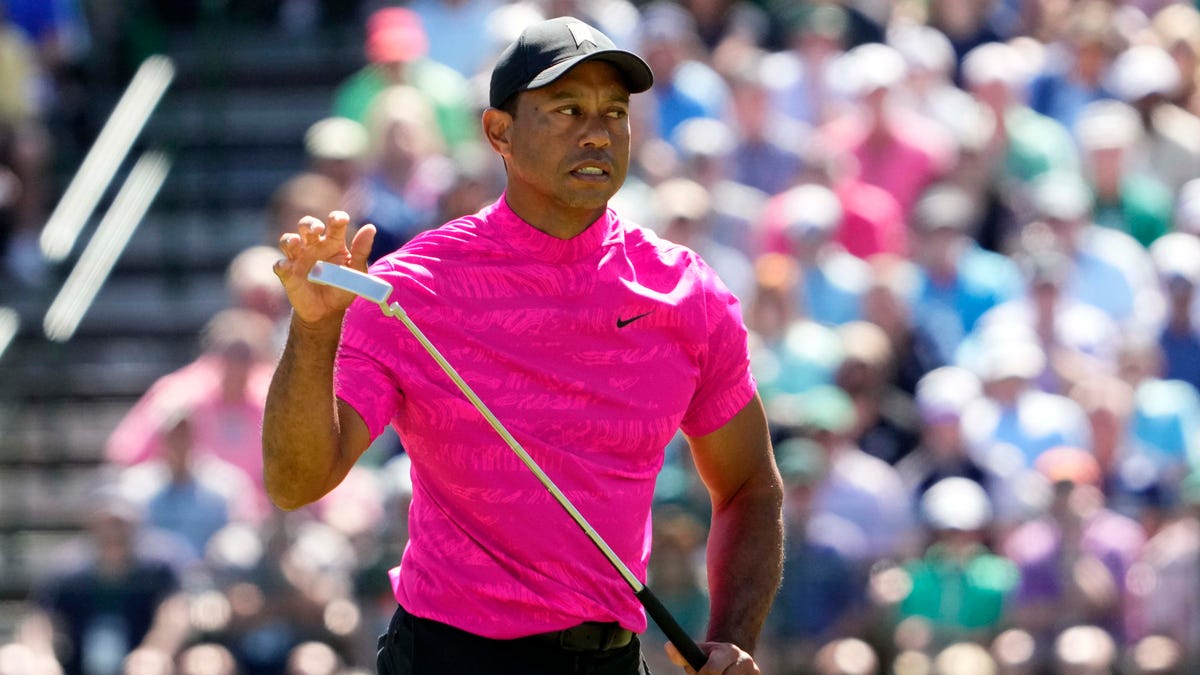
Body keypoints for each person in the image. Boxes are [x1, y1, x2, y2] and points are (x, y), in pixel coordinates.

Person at [263, 16, 783, 675]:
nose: (596, 132)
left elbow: (748, 486)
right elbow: (295, 479)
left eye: (614, 113)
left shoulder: (687, 293)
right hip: (448, 658)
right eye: (567, 110)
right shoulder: (408, 289)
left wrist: (731, 638)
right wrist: (313, 331)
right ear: (499, 133)